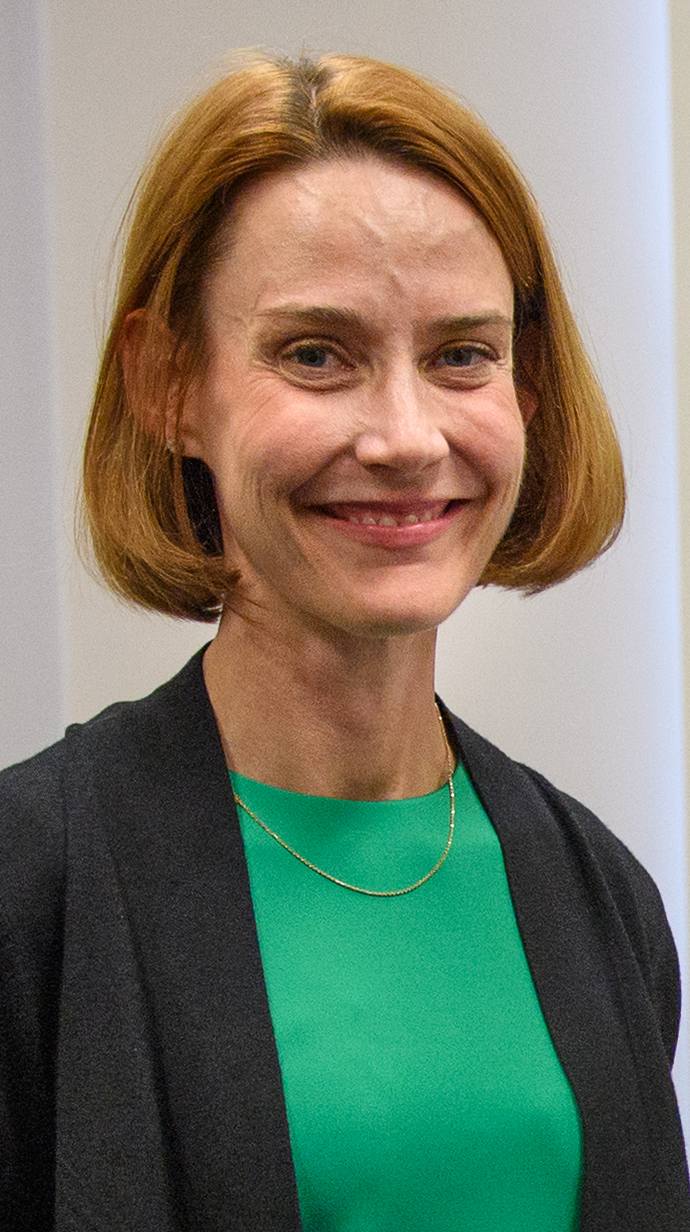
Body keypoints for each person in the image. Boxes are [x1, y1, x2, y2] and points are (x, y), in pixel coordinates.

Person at [0, 50, 687, 1232]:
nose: (406, 437)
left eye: (462, 354)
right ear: (168, 385)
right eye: (316, 353)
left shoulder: (601, 894)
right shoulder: (33, 886)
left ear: (526, 389)